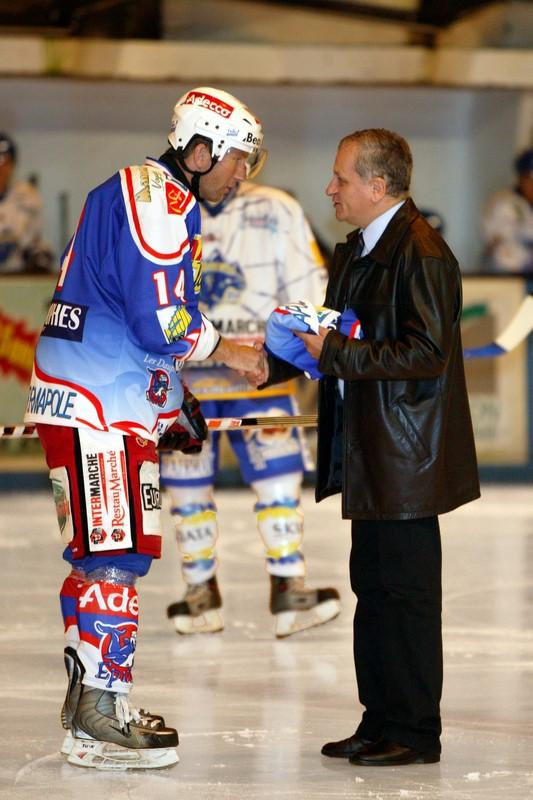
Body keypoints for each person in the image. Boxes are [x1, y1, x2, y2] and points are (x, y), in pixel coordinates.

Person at [23, 86, 266, 770]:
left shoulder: (144, 191)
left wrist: (169, 397)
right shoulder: (158, 199)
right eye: (238, 159)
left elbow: (132, 311)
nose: (241, 175)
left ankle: (88, 715)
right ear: (201, 149)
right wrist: (230, 351)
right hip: (98, 404)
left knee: (100, 556)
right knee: (115, 555)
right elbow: (160, 322)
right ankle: (103, 710)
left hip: (98, 396)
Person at [254, 128, 480, 766]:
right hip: (371, 452)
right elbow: (333, 340)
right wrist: (269, 362)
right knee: (374, 593)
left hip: (406, 460)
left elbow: (426, 353)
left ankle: (414, 731)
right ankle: (379, 719)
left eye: (341, 178)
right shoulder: (356, 250)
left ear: (377, 186)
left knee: (406, 599)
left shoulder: (423, 253)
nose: (330, 188)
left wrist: (336, 351)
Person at [160, 181, 341, 638]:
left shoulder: (278, 207)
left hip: (261, 370)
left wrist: (303, 351)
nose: (241, 168)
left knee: (279, 480)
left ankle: (288, 585)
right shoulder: (164, 207)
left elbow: (310, 291)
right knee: (186, 488)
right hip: (186, 375)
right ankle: (200, 590)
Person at [0, 131, 54, 273]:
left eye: (5, 161)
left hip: (17, 274)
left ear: (12, 165)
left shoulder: (26, 195)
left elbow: (31, 242)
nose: (1, 167)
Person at [481, 146, 533, 272]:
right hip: (509, 276)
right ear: (521, 178)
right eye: (530, 179)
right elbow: (505, 257)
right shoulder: (504, 204)